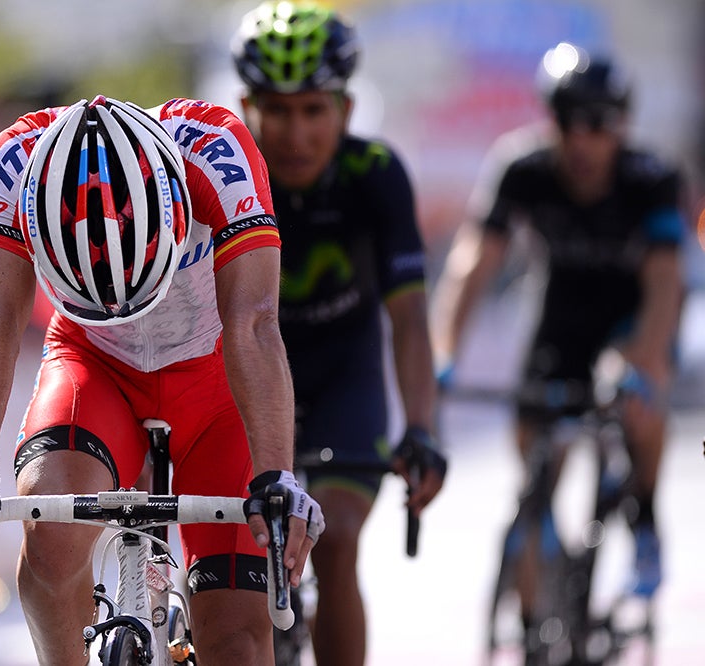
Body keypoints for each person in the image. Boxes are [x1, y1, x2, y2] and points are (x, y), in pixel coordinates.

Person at [0, 94, 326, 665]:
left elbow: (255, 323)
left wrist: (276, 475)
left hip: (215, 380)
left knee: (235, 637)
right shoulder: (18, 163)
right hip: (95, 366)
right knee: (51, 535)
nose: (118, 305)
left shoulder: (216, 150)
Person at [432, 42, 687, 618]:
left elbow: (665, 281)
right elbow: (474, 261)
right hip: (562, 311)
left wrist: (645, 366)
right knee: (534, 448)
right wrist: (444, 351)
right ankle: (538, 598)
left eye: (597, 124)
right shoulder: (522, 167)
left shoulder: (652, 178)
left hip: (634, 313)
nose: (581, 140)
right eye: (567, 122)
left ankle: (646, 518)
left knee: (640, 401)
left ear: (621, 125)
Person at [231, 3, 448, 665]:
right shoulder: (223, 175)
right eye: (277, 110)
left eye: (313, 110)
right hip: (243, 375)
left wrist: (421, 427)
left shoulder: (375, 174)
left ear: (346, 110)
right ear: (246, 108)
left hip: (342, 376)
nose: (296, 133)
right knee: (226, 558)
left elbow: (409, 319)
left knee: (336, 539)